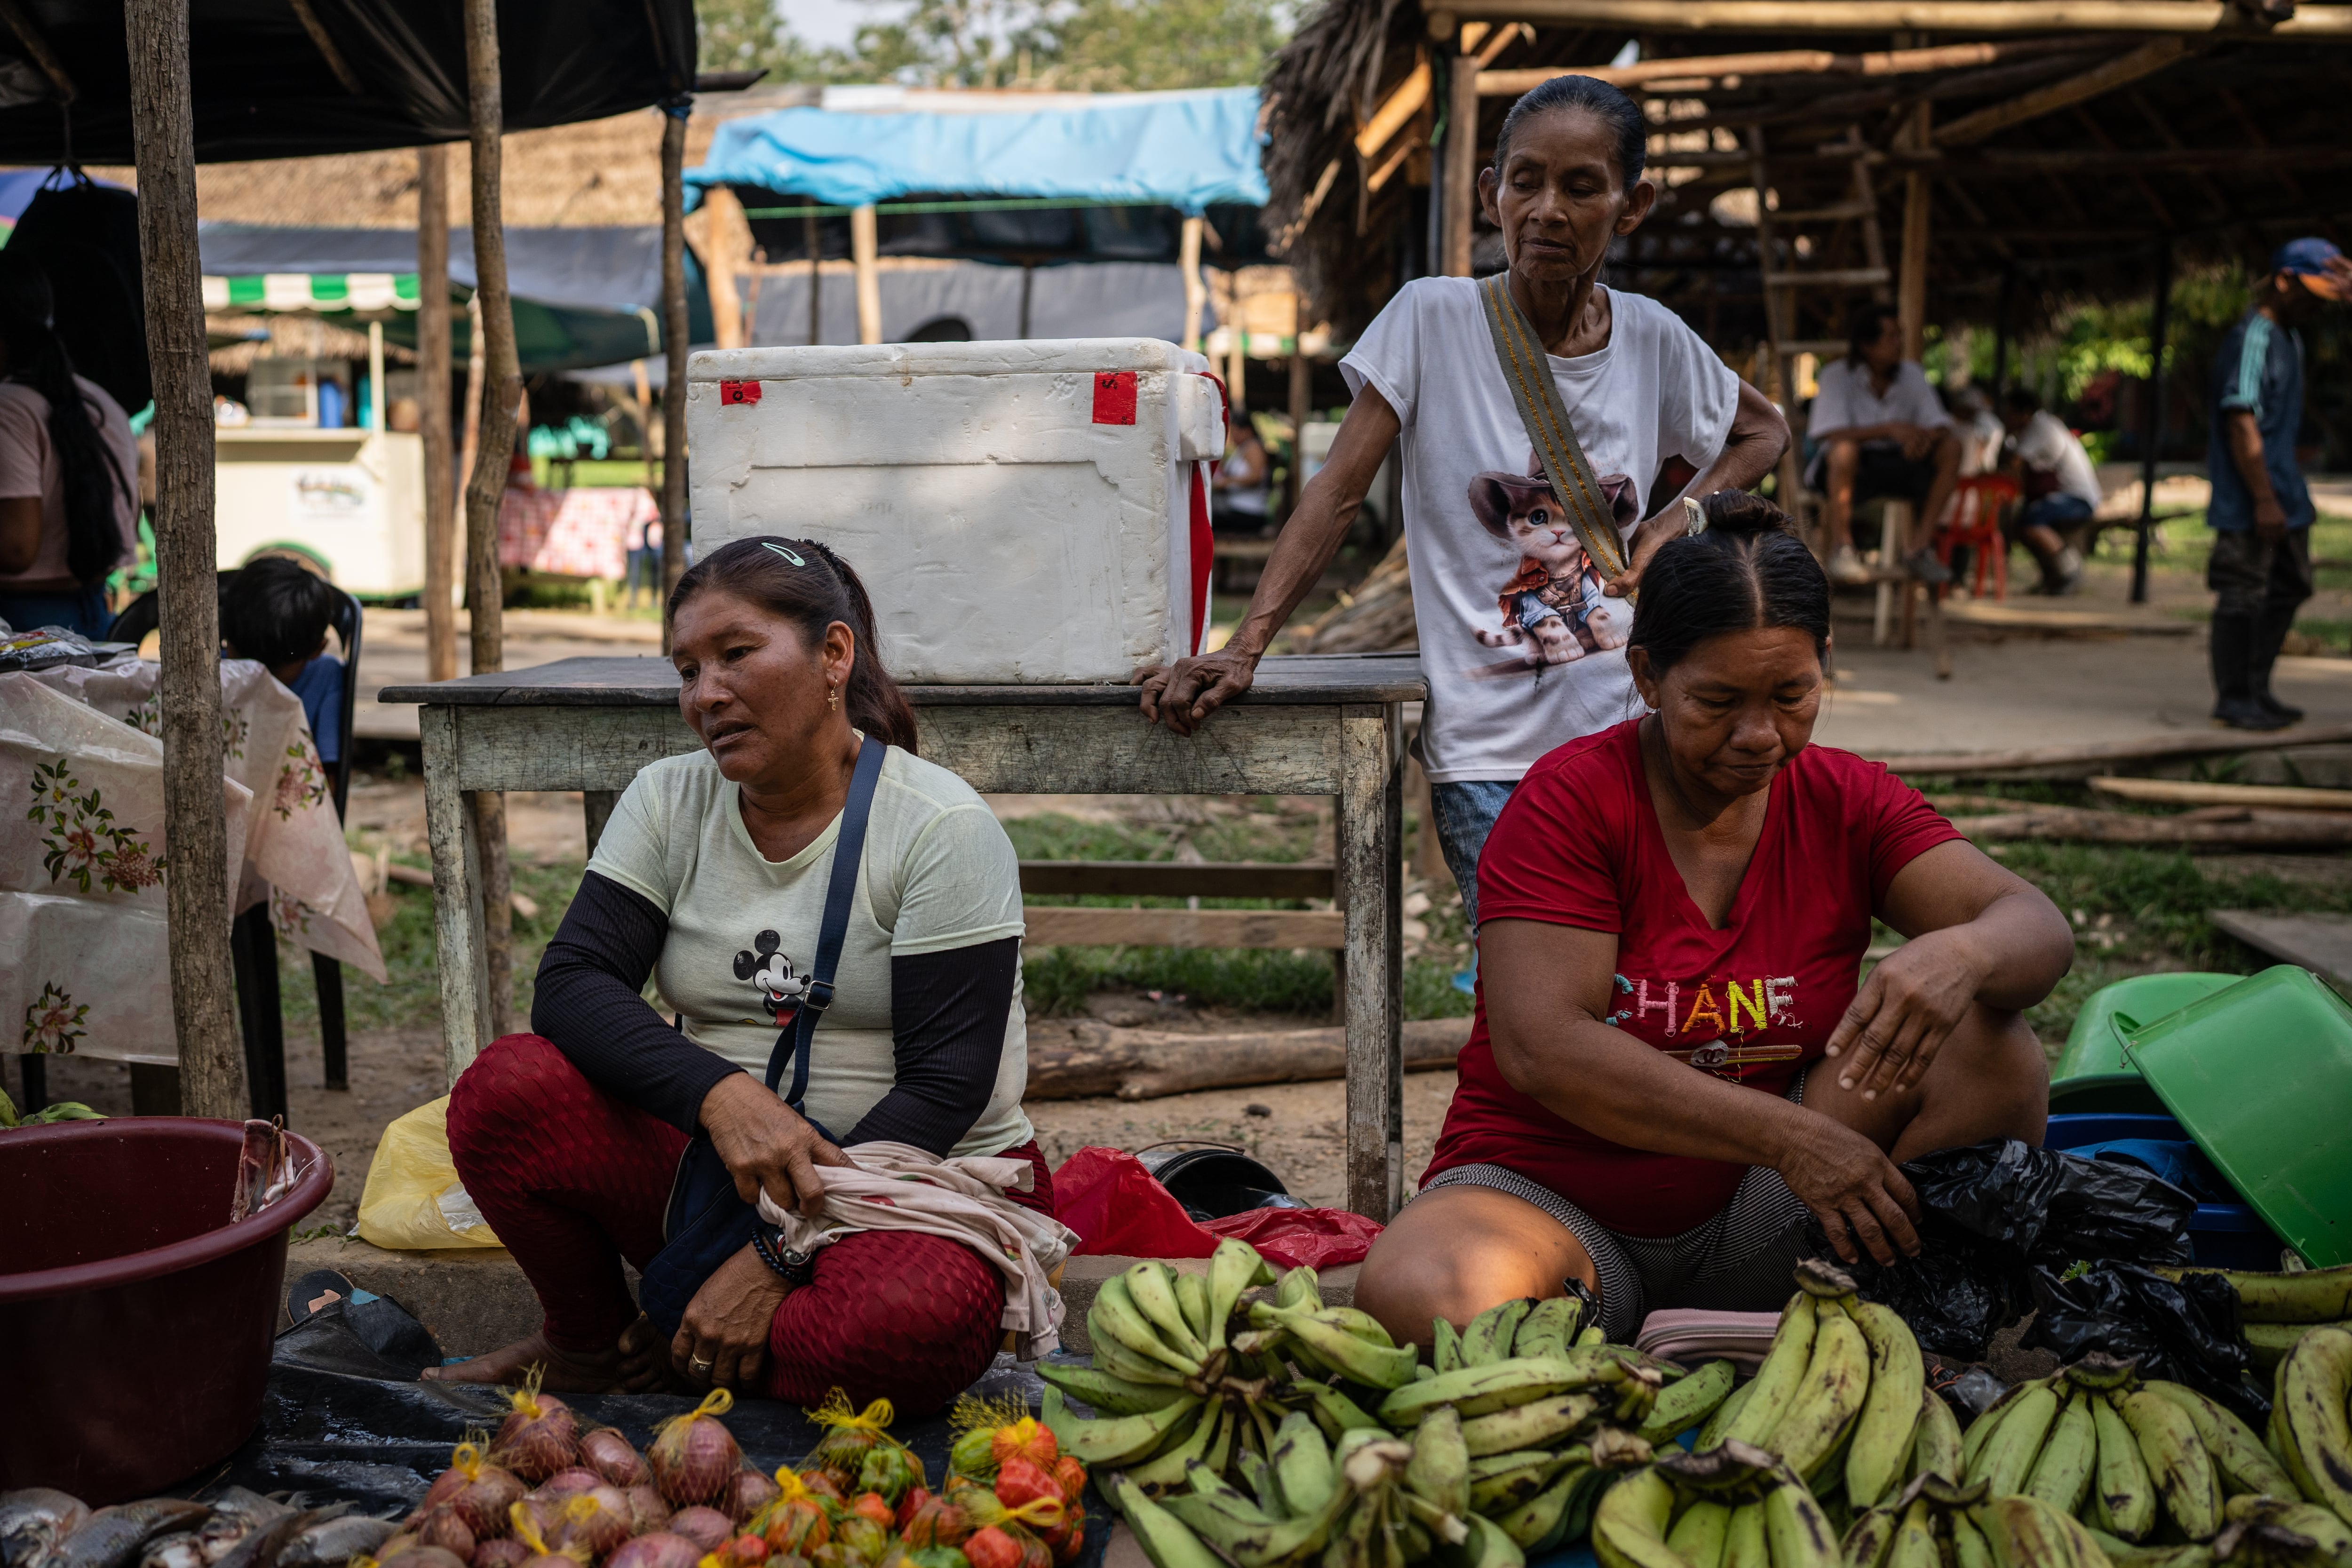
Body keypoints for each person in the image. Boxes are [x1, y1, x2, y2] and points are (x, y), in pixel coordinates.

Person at [1351, 492, 2070, 1345]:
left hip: (1769, 1211)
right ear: (1648, 674)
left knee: (1987, 1043)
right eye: (1718, 701)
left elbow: (2035, 925)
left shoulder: (1848, 800)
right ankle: (1643, 1323)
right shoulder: (1573, 801)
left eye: (1793, 694)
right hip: (1554, 1203)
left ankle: (1863, 1318)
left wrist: (1967, 953)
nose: (1760, 734)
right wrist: (1795, 1137)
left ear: (1825, 664)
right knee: (1425, 1295)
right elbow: (1544, 1046)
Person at [1134, 74, 1787, 925]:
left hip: (1632, 730)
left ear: (1632, 206)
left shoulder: (1653, 335)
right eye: (1527, 181)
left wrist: (1676, 521)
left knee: (1631, 972)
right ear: (1492, 195)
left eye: (1583, 187)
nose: (1548, 208)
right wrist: (1247, 645)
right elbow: (1335, 494)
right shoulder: (1431, 318)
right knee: (1534, 981)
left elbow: (1762, 431)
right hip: (1487, 749)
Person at [430, 536, 1052, 1410]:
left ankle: (691, 1345)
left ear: (835, 654)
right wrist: (725, 1099)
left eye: (735, 654)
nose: (705, 694)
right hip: (726, 1174)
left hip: (910, 1178)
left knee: (906, 1325)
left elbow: (948, 1086)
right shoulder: (669, 798)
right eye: (687, 670)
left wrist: (777, 1255)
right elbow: (573, 980)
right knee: (506, 1089)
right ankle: (593, 1343)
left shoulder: (939, 825)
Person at [2205, 238, 2352, 733]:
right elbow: (2240, 421)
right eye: (2309, 294)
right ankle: (2234, 697)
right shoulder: (2254, 337)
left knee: (2290, 585)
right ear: (2282, 280)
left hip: (2286, 492)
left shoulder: (2290, 337)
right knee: (2242, 592)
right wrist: (2263, 498)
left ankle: (2256, 685)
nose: (2315, 307)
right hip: (2251, 496)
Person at [0, 253, 137, 637]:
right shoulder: (103, 402)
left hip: (21, 624)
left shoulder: (9, 407)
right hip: (92, 613)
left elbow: (16, 549)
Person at [1807, 302, 1959, 589]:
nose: (1900, 343)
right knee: (1844, 449)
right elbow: (1830, 433)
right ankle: (1844, 547)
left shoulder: (1912, 374)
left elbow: (1939, 423)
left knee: (1952, 447)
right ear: (1866, 345)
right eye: (1892, 337)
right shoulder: (1836, 376)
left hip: (1904, 466)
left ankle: (1919, 548)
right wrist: (1890, 430)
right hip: (1854, 471)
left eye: (1900, 335)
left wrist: (1923, 439)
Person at [220, 556, 345, 766]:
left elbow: (329, 777)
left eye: (271, 671)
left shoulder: (327, 676)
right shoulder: (212, 673)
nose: (260, 679)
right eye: (248, 667)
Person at [1998, 388, 2098, 597]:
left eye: (2009, 413)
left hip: (2077, 499)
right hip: (2060, 497)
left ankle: (2071, 570)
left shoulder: (2041, 427)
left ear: (2024, 413)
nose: (2006, 418)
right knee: (2021, 525)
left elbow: (2015, 465)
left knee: (2031, 521)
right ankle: (2053, 575)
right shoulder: (2029, 430)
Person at [1212, 414, 1273, 535]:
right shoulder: (1242, 449)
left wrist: (1227, 483)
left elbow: (1257, 477)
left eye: (1235, 432)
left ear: (1247, 431)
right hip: (1236, 508)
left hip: (1249, 512)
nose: (1233, 436)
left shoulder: (1253, 447)